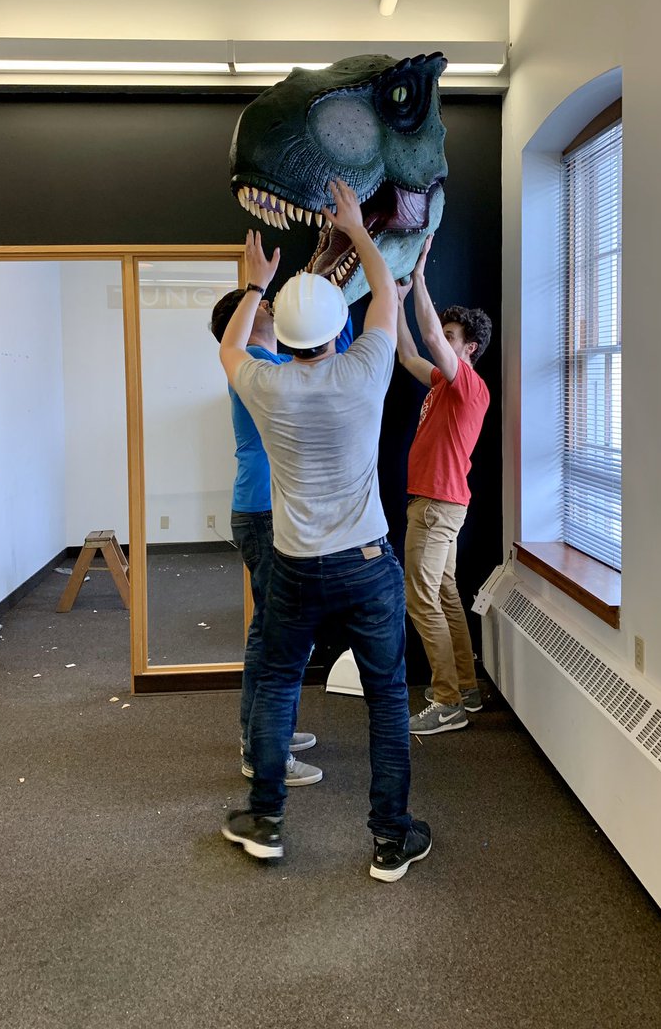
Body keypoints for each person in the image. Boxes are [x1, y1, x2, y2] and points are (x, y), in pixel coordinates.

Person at [218, 178, 430, 882]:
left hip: (295, 567)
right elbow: (386, 293)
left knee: (279, 684)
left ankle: (266, 819)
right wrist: (359, 230)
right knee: (387, 700)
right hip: (367, 564)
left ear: (284, 333)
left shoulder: (265, 385)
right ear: (339, 325)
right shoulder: (366, 370)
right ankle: (390, 839)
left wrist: (257, 283)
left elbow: (229, 349)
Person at [209, 289, 350, 787]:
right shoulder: (256, 363)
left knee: (272, 631)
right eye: (264, 305)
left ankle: (268, 735)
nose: (271, 307)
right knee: (278, 637)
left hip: (263, 511)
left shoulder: (263, 363)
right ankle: (263, 754)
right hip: (265, 514)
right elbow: (323, 369)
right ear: (247, 320)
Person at [395, 236, 492, 735]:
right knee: (445, 591)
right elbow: (409, 352)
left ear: (468, 348)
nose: (443, 340)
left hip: (436, 506)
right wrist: (393, 301)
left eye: (453, 337)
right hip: (441, 504)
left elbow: (430, 336)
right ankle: (467, 689)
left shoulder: (469, 385)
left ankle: (448, 700)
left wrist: (419, 278)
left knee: (420, 598)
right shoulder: (441, 384)